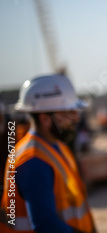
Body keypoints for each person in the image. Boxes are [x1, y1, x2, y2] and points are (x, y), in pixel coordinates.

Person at [0, 74, 95, 232]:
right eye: (69, 112)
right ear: (45, 119)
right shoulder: (32, 161)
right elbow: (46, 225)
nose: (76, 118)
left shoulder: (59, 147)